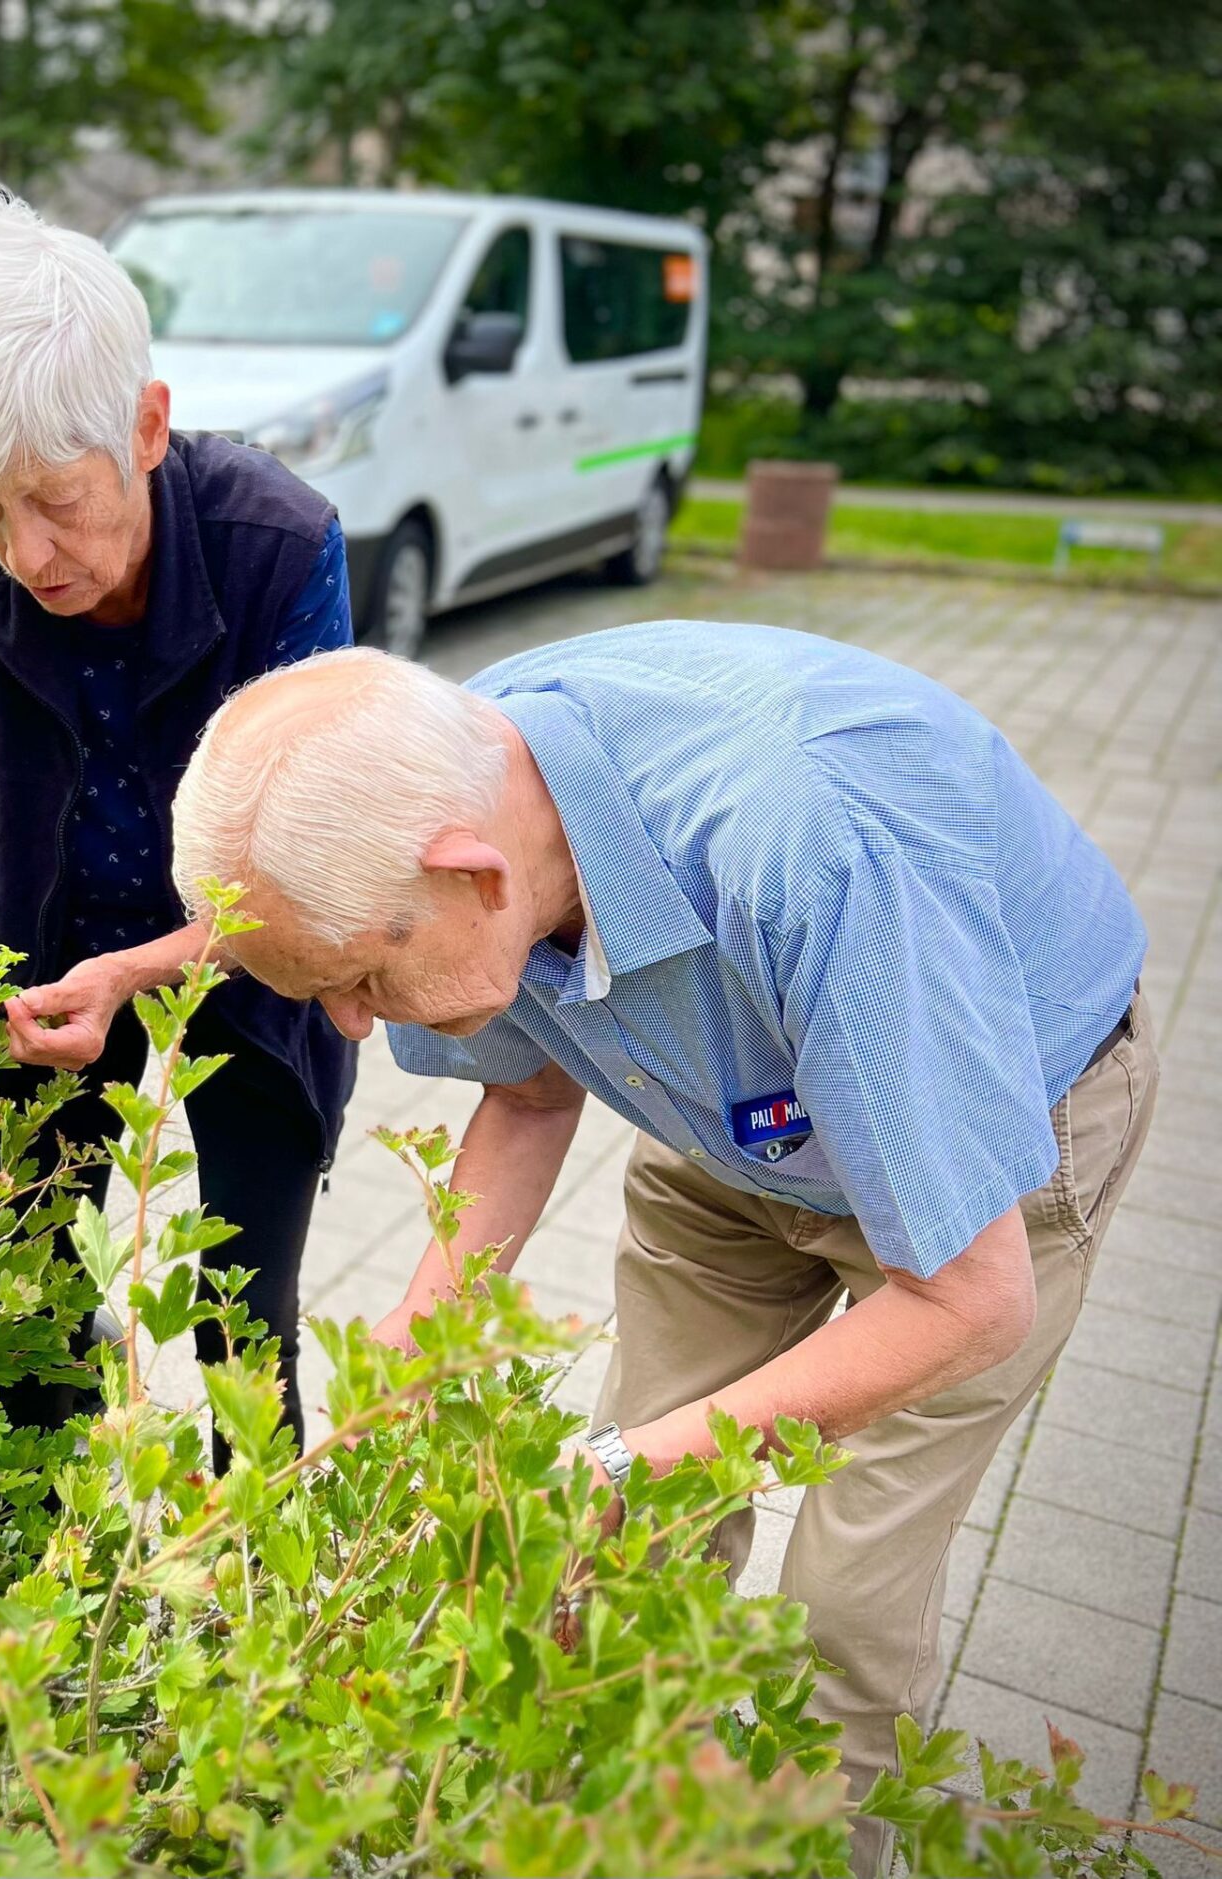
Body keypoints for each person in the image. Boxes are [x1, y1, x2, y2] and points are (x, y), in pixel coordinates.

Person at [168, 634, 1154, 1874]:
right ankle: (636, 1839)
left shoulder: (803, 841)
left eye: (363, 975)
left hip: (988, 1141)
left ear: (470, 875)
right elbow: (526, 1104)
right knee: (631, 1534)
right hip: (729, 1108)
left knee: (838, 1609)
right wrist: (389, 1390)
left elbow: (968, 1299)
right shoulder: (461, 798)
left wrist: (616, 1467)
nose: (354, 1023)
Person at [0, 184, 356, 1467]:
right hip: (36, 970)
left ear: (147, 427)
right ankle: (52, 1608)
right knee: (30, 1321)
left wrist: (141, 974)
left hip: (250, 961)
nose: (26, 553)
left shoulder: (281, 545)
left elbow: (310, 878)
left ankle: (259, 1602)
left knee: (242, 1320)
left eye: (56, 502)